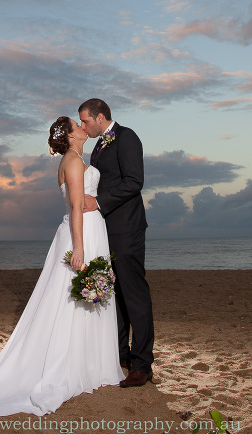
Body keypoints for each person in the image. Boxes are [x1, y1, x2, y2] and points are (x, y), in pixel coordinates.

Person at [0, 116, 123, 421]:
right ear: (70, 136)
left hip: (93, 230)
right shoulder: (72, 161)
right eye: (78, 125)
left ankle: (89, 365)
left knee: (86, 297)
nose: (84, 127)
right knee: (70, 299)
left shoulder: (78, 158)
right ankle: (72, 366)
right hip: (80, 233)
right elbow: (75, 206)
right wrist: (80, 247)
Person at [78, 98, 154, 388]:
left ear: (100, 117)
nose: (84, 126)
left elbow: (135, 181)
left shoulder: (127, 137)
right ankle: (122, 355)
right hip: (106, 229)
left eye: (85, 121)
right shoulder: (98, 146)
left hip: (127, 229)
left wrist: (98, 203)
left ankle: (143, 364)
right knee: (116, 293)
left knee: (135, 294)